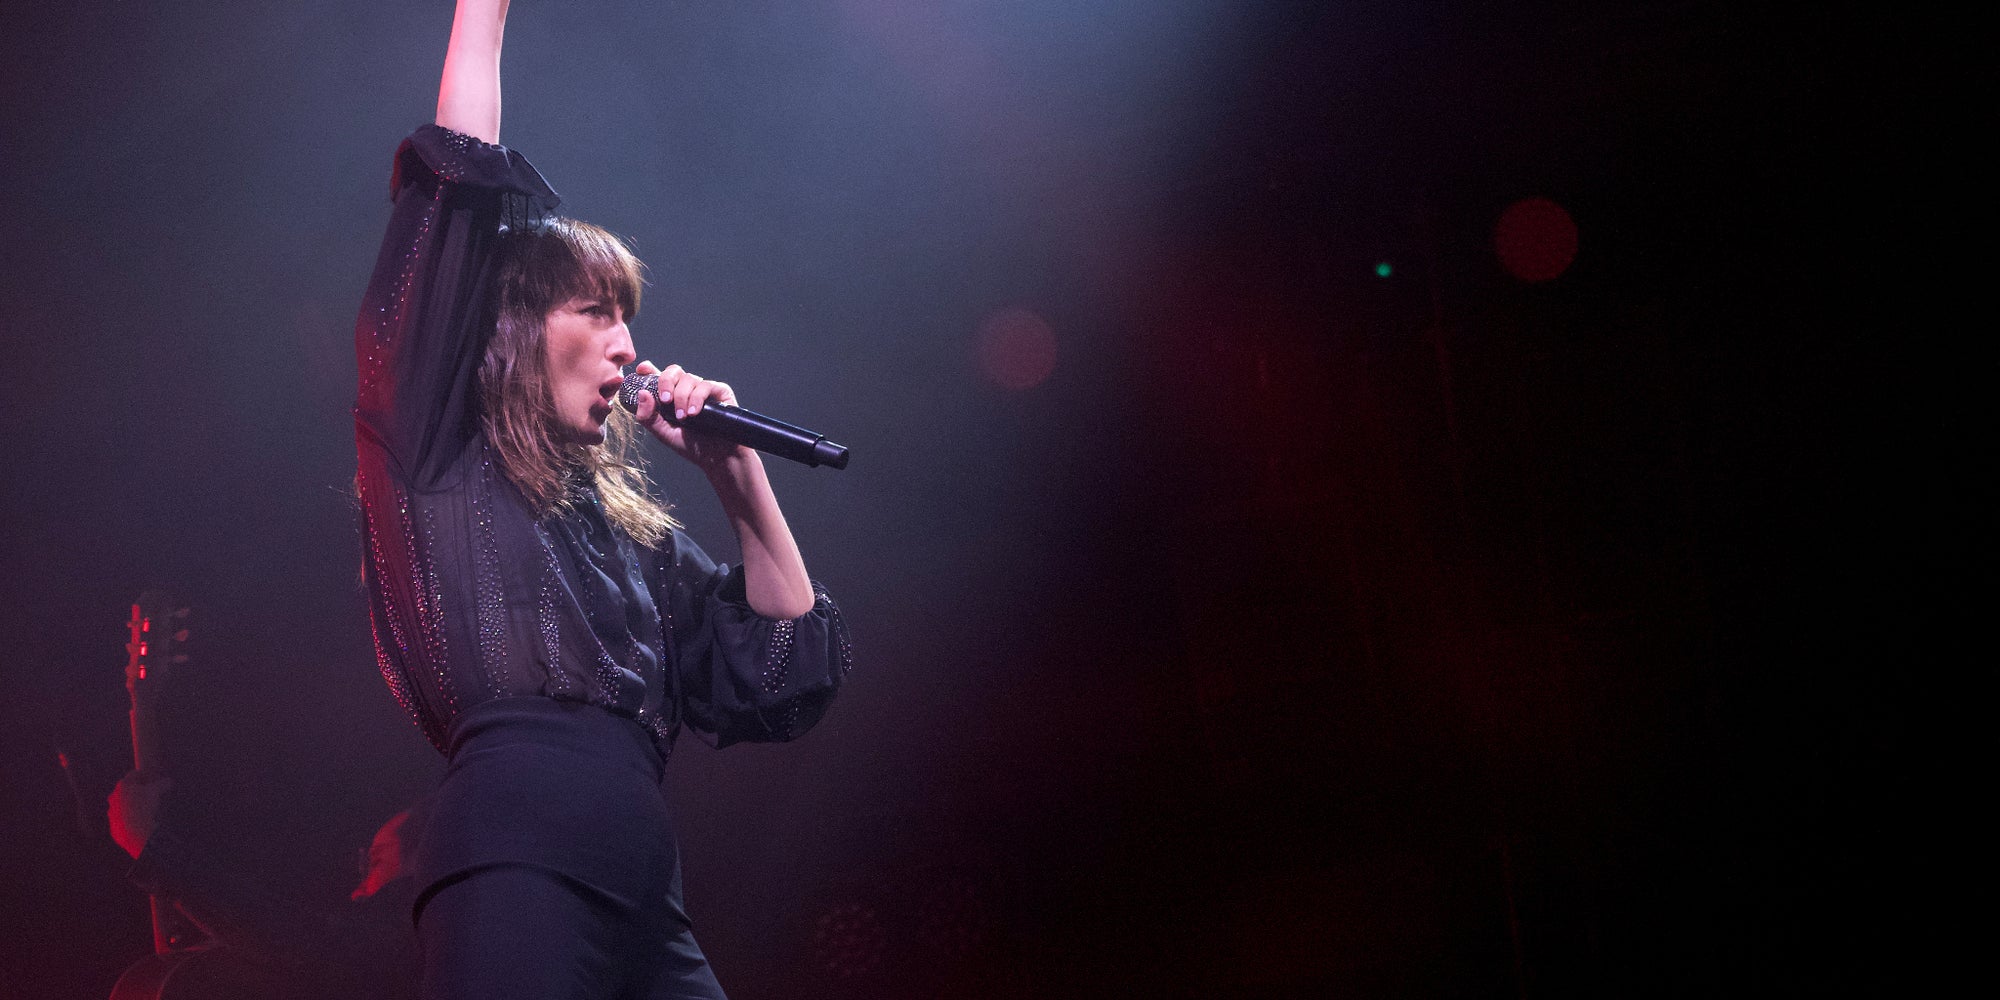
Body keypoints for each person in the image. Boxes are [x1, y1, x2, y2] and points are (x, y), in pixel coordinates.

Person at [351, 2, 852, 997]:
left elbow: (785, 671)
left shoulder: (629, 535)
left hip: (644, 894)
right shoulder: (435, 441)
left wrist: (734, 475)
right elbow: (459, 164)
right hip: (513, 858)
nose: (628, 344)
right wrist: (481, 15)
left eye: (630, 317)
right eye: (596, 312)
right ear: (512, 329)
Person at [105, 771, 422, 999]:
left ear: (426, 864)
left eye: (378, 863)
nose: (357, 890)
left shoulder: (409, 944)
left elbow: (294, 936)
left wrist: (150, 845)